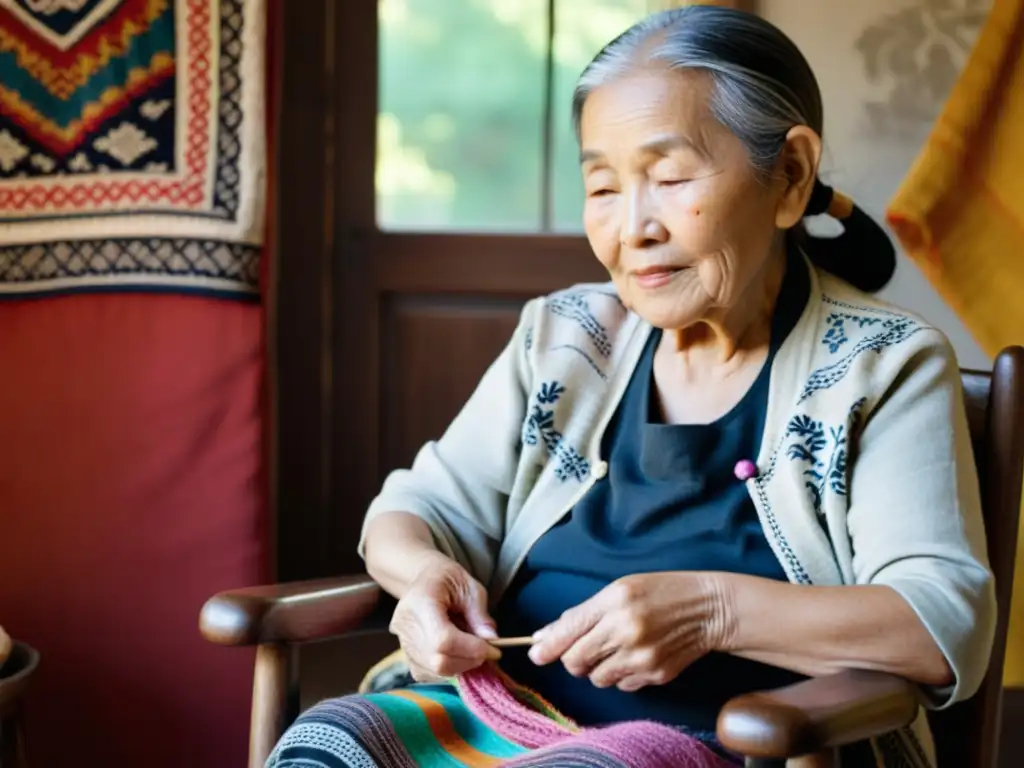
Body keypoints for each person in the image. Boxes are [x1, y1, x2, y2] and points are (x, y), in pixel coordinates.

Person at [267, 6, 995, 767]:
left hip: (723, 749)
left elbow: (941, 626)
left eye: (672, 178)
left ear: (789, 175)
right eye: (605, 187)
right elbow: (414, 511)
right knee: (328, 744)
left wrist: (714, 611)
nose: (633, 227)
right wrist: (425, 579)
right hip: (505, 721)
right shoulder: (567, 339)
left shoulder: (883, 365)